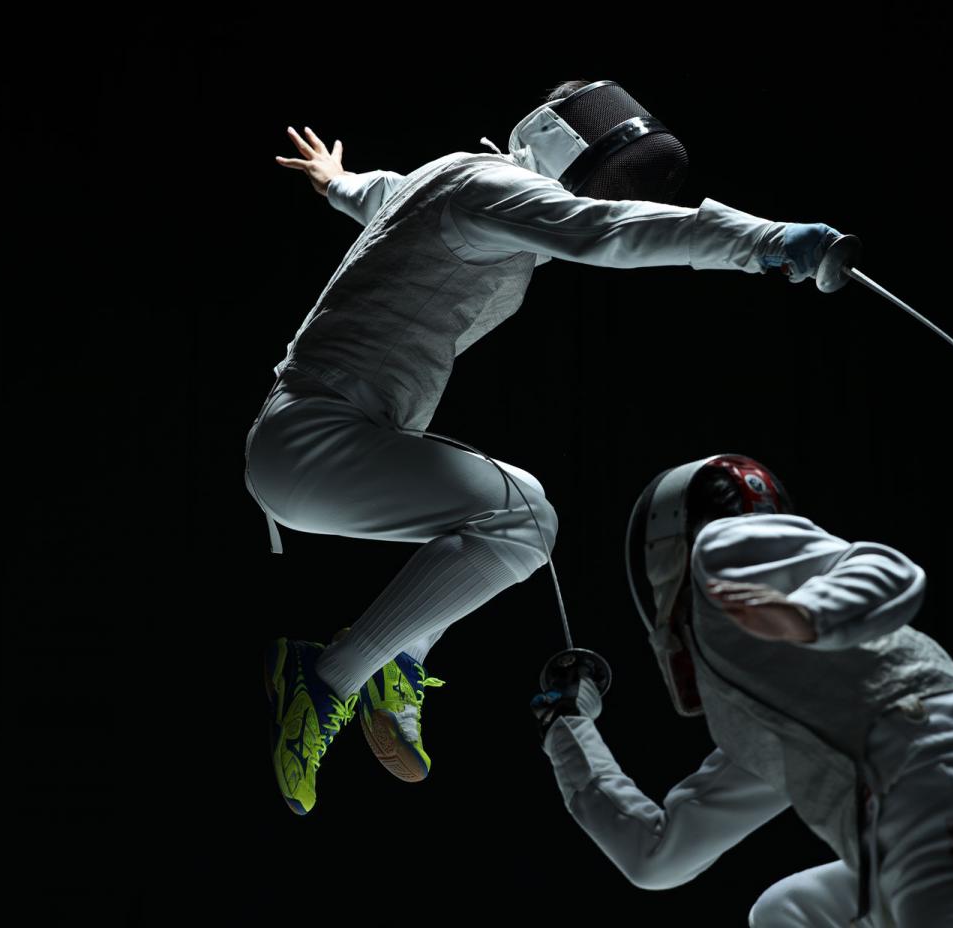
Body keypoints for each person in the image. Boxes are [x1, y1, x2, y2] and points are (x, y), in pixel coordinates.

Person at [251, 80, 847, 816]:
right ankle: (335, 676)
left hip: (313, 447)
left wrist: (335, 179)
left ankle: (395, 658)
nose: (611, 189)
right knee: (525, 518)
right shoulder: (492, 187)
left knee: (498, 523)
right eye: (610, 172)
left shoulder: (455, 181)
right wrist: (762, 241)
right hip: (316, 441)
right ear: (572, 147)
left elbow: (382, 197)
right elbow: (613, 231)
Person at [530, 454, 953, 926]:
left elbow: (883, 566)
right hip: (943, 830)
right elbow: (657, 858)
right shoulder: (785, 720)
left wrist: (807, 614)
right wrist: (569, 725)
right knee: (788, 912)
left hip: (952, 810)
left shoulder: (719, 547)